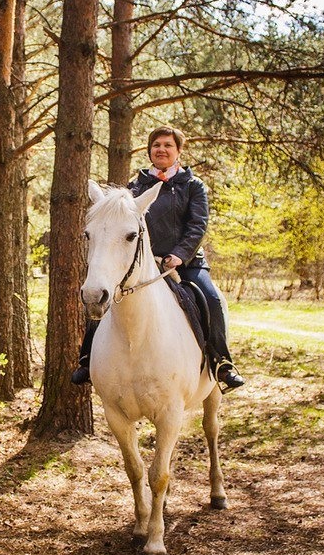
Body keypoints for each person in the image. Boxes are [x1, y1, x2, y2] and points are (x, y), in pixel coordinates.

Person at [71, 125, 245, 391]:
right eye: (156, 145)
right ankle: (87, 359)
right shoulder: (135, 186)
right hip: (143, 264)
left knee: (210, 298)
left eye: (168, 145)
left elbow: (198, 225)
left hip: (185, 263)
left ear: (178, 151)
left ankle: (222, 362)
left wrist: (179, 255)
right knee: (101, 293)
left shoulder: (193, 186)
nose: (161, 149)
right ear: (149, 151)